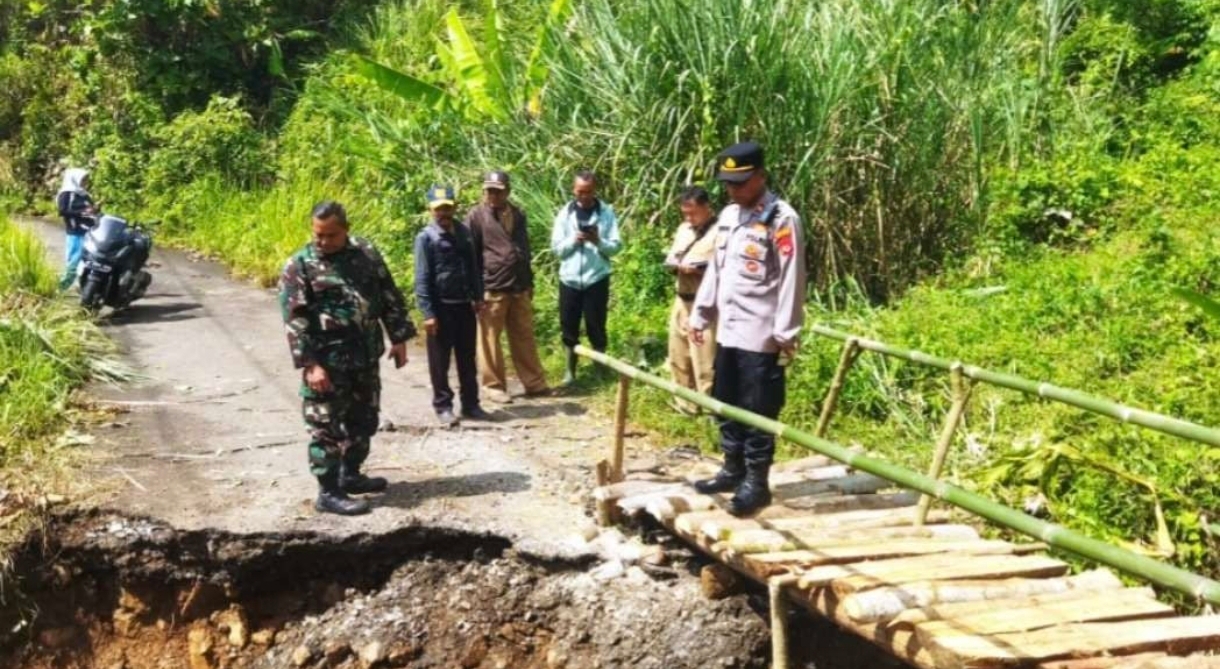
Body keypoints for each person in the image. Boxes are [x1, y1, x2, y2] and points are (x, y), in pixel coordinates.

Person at [688, 141, 807, 516]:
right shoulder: (728, 216)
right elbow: (717, 269)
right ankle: (732, 467)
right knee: (727, 402)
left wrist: (786, 332)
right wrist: (702, 312)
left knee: (758, 410)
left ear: (760, 177)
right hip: (729, 330)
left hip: (761, 333)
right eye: (728, 184)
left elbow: (792, 278)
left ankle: (757, 482)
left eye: (740, 183)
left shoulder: (780, 218)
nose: (733, 190)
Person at [278, 201, 415, 516]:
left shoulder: (365, 252)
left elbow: (387, 292)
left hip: (365, 356)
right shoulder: (300, 265)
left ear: (346, 230)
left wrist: (399, 336)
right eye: (318, 235)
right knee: (325, 427)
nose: (323, 242)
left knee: (364, 419)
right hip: (327, 364)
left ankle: (350, 473)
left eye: (331, 235)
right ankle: (328, 492)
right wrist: (310, 365)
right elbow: (294, 320)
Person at [466, 170, 550, 402]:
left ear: (507, 191)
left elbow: (525, 249)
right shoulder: (475, 216)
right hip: (492, 285)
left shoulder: (517, 214)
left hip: (518, 284)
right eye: (489, 190)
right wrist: (475, 291)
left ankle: (534, 383)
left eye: (498, 190)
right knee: (489, 339)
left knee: (524, 335)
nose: (492, 195)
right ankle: (493, 386)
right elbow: (469, 256)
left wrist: (529, 281)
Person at [415, 184, 492, 426]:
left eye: (447, 208)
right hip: (440, 308)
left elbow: (474, 268)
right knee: (440, 361)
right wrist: (428, 313)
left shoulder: (464, 233)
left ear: (454, 207)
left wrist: (479, 297)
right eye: (439, 209)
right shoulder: (426, 238)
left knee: (467, 359)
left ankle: (471, 404)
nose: (444, 213)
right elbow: (422, 277)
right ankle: (443, 406)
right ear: (431, 210)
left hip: (464, 306)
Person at [549, 170, 623, 384]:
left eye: (589, 192)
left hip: (596, 278)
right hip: (569, 279)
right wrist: (574, 240)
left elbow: (616, 247)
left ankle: (599, 369)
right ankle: (570, 372)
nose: (585, 196)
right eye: (580, 191)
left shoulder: (606, 213)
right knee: (568, 326)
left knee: (596, 325)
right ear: (574, 190)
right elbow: (557, 250)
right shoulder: (565, 214)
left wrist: (597, 241)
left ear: (595, 190)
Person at [665, 186, 719, 414]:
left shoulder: (720, 233)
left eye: (693, 212)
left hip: (704, 302)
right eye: (685, 213)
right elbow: (673, 256)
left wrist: (698, 271)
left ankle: (709, 408)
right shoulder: (684, 230)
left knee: (704, 360)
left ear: (707, 208)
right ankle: (685, 405)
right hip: (681, 299)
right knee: (679, 355)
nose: (689, 218)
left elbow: (724, 270)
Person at [55, 168, 97, 290]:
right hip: (76, 232)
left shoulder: (83, 194)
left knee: (89, 260)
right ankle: (61, 287)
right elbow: (63, 211)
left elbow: (90, 210)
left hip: (90, 231)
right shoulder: (66, 193)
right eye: (83, 179)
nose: (85, 182)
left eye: (86, 179)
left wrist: (94, 210)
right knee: (74, 260)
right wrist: (83, 212)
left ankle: (84, 286)